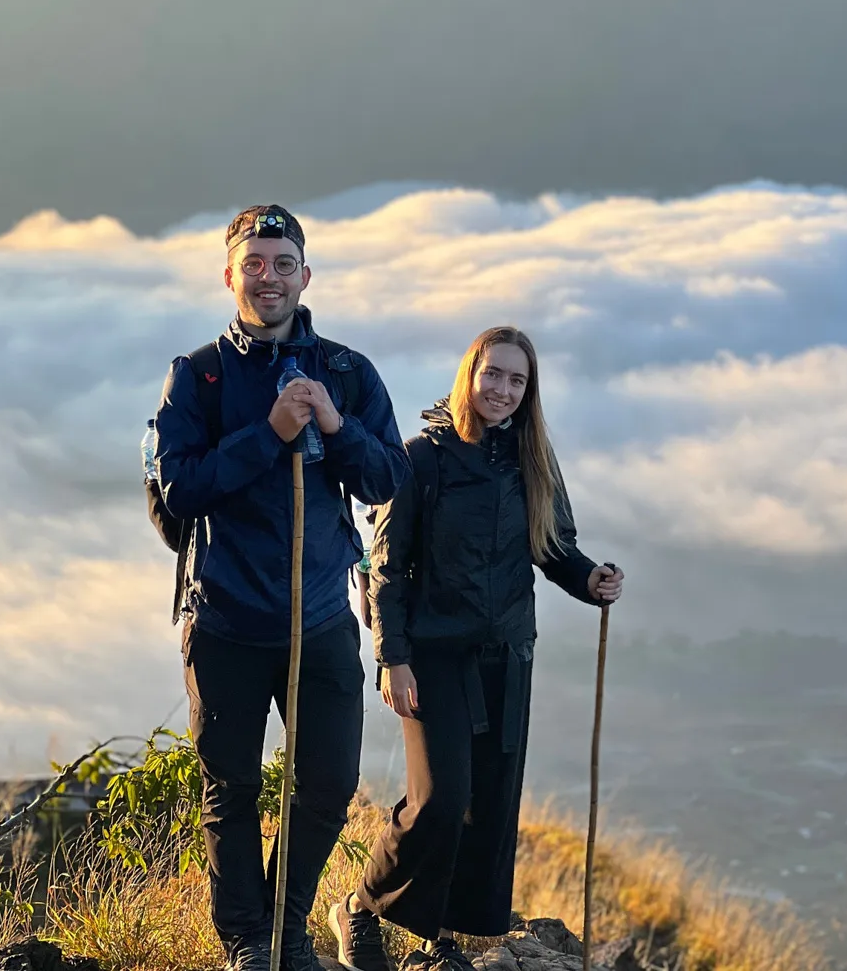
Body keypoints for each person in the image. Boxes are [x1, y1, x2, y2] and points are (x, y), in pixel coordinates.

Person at [149, 204, 410, 971]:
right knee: (229, 791)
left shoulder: (347, 373)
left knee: (328, 786)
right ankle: (249, 945)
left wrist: (333, 423)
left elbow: (388, 479)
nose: (269, 278)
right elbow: (179, 490)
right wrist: (269, 434)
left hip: (320, 619)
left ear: (306, 275)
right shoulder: (198, 376)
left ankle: (284, 929)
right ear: (230, 275)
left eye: (282, 264)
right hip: (226, 621)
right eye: (254, 264)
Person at [328, 326, 624, 971]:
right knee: (439, 797)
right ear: (470, 373)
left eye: (517, 380)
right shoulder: (421, 458)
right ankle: (360, 907)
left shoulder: (532, 459)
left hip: (507, 655)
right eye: (493, 373)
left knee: (487, 804)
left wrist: (591, 581)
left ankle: (440, 937)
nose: (503, 389)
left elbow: (554, 548)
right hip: (433, 658)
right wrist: (392, 657)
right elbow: (386, 569)